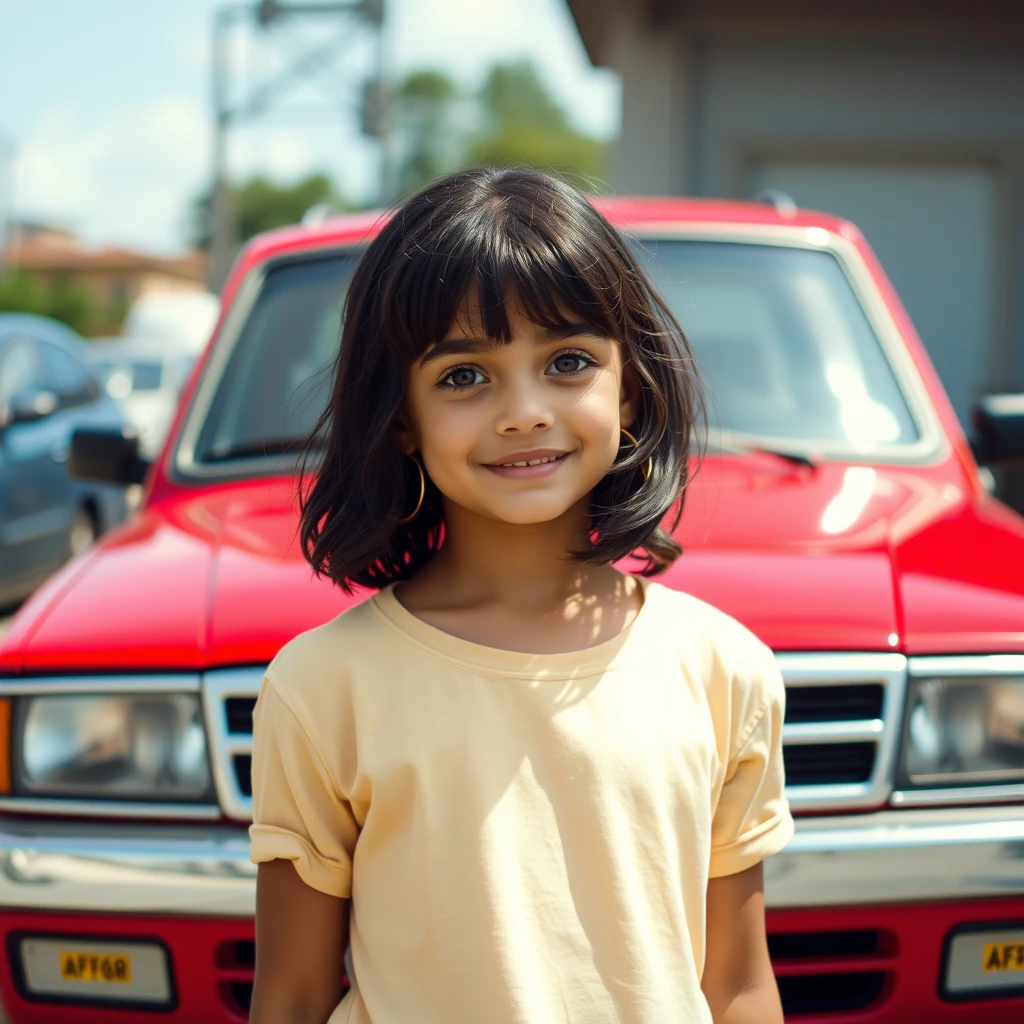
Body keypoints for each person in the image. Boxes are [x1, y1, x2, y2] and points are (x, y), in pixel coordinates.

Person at [248, 166, 794, 1024]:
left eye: (569, 361)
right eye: (464, 375)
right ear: (400, 417)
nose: (524, 411)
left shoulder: (723, 668)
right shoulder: (322, 687)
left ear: (631, 385)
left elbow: (735, 983)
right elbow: (293, 994)